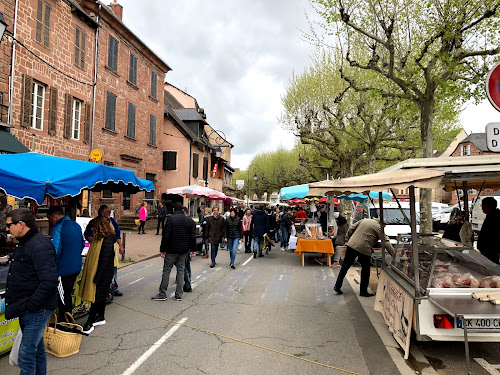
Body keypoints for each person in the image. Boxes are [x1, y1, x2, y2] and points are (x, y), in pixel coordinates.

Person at [5, 208, 58, 374]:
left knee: (26, 354)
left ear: (21, 224)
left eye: (9, 225)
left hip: (36, 308)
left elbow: (49, 280)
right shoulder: (26, 242)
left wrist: (32, 305)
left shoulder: (39, 245)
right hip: (29, 306)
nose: (7, 229)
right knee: (36, 350)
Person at [334, 218, 394, 297]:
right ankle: (363, 291)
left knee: (345, 266)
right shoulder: (379, 227)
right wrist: (394, 255)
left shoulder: (364, 220)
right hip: (364, 248)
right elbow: (386, 242)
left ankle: (337, 286)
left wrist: (347, 240)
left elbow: (351, 228)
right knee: (366, 269)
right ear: (383, 224)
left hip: (351, 245)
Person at [79, 212, 118, 334]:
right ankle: (100, 317)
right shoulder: (101, 240)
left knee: (96, 298)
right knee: (100, 297)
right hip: (103, 274)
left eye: (93, 227)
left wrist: (96, 278)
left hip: (102, 275)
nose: (91, 229)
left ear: (99, 228)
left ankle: (89, 323)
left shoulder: (105, 242)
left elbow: (105, 262)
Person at [152, 202, 196, 301]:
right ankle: (179, 294)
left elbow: (166, 236)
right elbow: (193, 236)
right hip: (184, 250)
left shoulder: (171, 219)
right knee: (180, 270)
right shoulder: (189, 220)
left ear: (173, 210)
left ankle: (162, 293)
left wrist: (162, 249)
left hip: (171, 249)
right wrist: (193, 249)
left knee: (167, 270)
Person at [47, 206, 85, 318]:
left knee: (63, 298)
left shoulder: (58, 228)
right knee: (67, 294)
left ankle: (66, 324)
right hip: (76, 266)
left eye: (50, 219)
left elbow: (55, 250)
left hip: (63, 269)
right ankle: (69, 320)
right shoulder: (76, 225)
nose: (50, 222)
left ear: (54, 215)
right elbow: (82, 245)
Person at [84, 205, 124, 297]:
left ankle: (114, 288)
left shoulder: (112, 221)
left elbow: (117, 234)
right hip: (97, 250)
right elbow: (87, 234)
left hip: (110, 248)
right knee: (97, 268)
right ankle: (95, 289)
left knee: (112, 268)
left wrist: (120, 246)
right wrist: (95, 242)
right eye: (108, 212)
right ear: (102, 213)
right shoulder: (93, 222)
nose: (109, 213)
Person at [477, 197, 500, 264]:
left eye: (482, 205)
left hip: (490, 251)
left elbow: (490, 235)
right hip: (491, 250)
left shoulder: (493, 218)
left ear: (486, 206)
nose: (482, 208)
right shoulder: (492, 216)